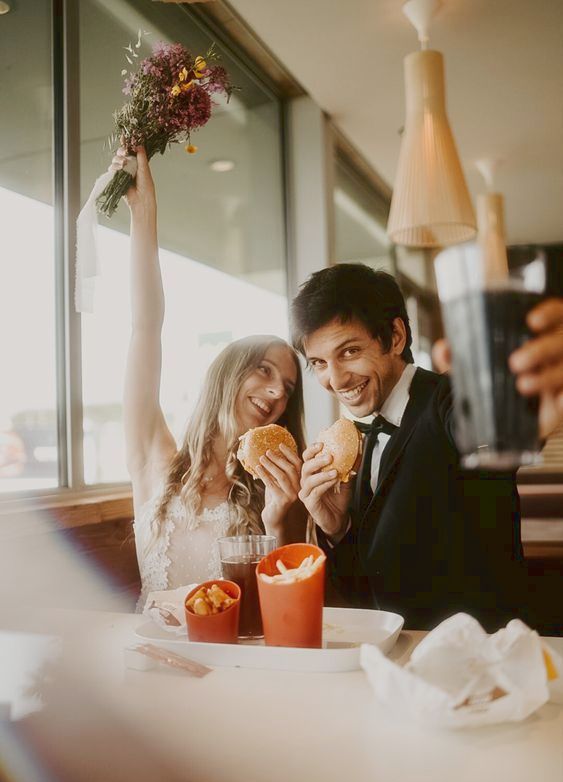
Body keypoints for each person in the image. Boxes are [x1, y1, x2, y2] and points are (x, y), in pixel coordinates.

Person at [293, 262, 563, 632]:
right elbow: (365, 593)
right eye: (320, 362)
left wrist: (520, 402)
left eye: (350, 351)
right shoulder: (353, 444)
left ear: (396, 336)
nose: (335, 379)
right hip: (397, 664)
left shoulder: (449, 398)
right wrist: (337, 528)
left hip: (481, 657)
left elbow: (485, 427)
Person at [111, 147, 307, 608]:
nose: (277, 391)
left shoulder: (275, 496)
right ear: (226, 376)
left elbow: (289, 609)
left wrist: (283, 519)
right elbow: (145, 328)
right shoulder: (152, 460)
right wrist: (144, 214)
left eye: (288, 387)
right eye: (264, 370)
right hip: (151, 659)